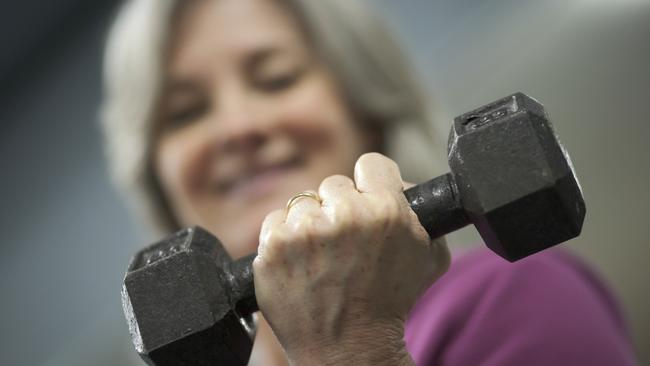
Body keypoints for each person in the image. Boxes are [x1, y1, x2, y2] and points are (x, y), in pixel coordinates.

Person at [101, 0, 637, 365]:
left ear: (368, 112)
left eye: (277, 78)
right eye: (185, 113)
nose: (237, 127)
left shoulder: (514, 299)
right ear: (159, 183)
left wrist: (350, 345)